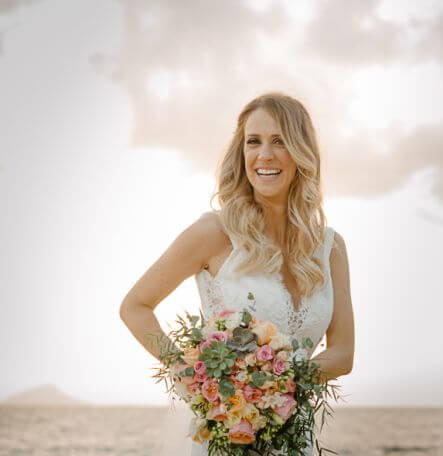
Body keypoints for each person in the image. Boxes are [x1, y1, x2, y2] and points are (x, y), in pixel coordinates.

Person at [119, 92, 355, 455]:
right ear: (241, 152)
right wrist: (192, 377)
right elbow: (135, 305)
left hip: (294, 438)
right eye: (253, 142)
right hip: (227, 438)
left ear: (301, 153)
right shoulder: (214, 233)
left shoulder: (330, 247)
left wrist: (275, 386)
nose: (264, 155)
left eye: (280, 141)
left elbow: (343, 354)